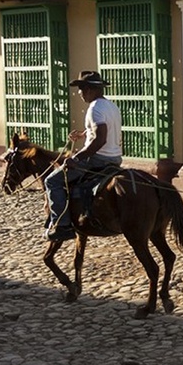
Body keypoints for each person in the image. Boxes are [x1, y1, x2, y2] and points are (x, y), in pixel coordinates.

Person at [44, 70, 123, 240]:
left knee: (52, 181)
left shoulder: (94, 109)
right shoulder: (112, 106)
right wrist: (83, 134)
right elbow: (102, 131)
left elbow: (100, 139)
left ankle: (62, 224)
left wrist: (76, 158)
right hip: (115, 159)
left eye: (80, 89)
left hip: (97, 160)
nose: (79, 93)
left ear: (88, 89)